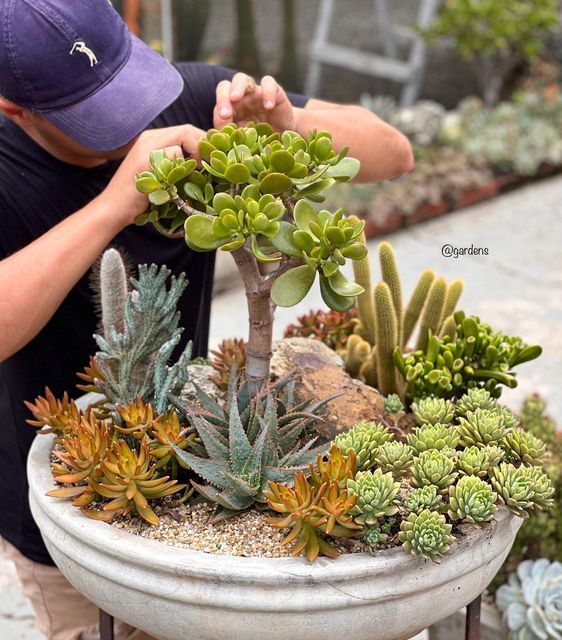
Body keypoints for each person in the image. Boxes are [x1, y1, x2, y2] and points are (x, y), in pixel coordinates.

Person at [0, 1, 413, 638]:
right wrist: (115, 205)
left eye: (125, 85)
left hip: (186, 450)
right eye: (93, 112)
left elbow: (394, 153)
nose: (132, 119)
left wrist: (285, 127)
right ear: (12, 108)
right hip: (70, 495)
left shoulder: (185, 95)